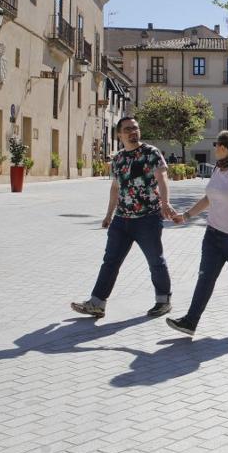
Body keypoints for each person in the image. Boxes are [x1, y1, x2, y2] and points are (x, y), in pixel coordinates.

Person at [71, 116, 177, 318]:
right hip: (122, 220)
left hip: (147, 217)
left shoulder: (151, 152)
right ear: (119, 134)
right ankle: (97, 303)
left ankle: (163, 300)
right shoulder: (118, 158)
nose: (133, 132)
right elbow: (115, 187)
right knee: (110, 261)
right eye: (128, 129)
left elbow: (162, 178)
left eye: (135, 128)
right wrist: (109, 214)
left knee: (155, 260)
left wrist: (165, 202)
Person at [166, 130, 228, 337]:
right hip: (213, 236)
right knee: (205, 278)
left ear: (224, 148)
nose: (214, 148)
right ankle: (190, 322)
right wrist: (187, 215)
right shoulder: (219, 169)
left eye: (216, 144)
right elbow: (210, 197)